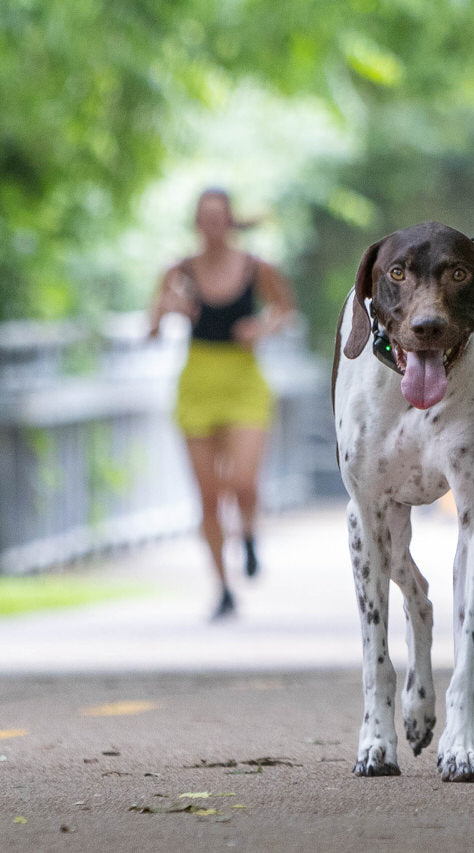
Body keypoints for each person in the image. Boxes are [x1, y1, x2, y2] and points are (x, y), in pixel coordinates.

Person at [148, 188, 296, 621]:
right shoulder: (178, 270)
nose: (213, 226)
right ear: (197, 224)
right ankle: (222, 588)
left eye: (220, 217)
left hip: (244, 380)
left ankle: (248, 534)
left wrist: (262, 328)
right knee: (209, 496)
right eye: (205, 218)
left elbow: (285, 310)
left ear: (231, 222)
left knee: (244, 484)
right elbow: (151, 329)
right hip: (197, 382)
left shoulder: (257, 268)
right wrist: (167, 308)